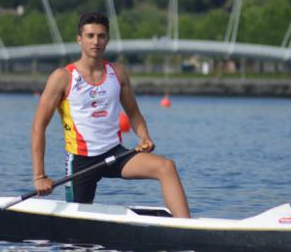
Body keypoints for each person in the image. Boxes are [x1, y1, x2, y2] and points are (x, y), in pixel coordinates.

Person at [31, 11, 190, 218]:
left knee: (166, 167)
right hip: (81, 162)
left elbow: (133, 113)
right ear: (80, 40)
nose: (95, 41)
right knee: (77, 230)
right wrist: (39, 175)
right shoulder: (62, 77)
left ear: (107, 40)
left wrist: (144, 136)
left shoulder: (118, 73)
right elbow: (38, 127)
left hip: (115, 154)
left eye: (101, 36)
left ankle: (185, 227)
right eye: (90, 36)